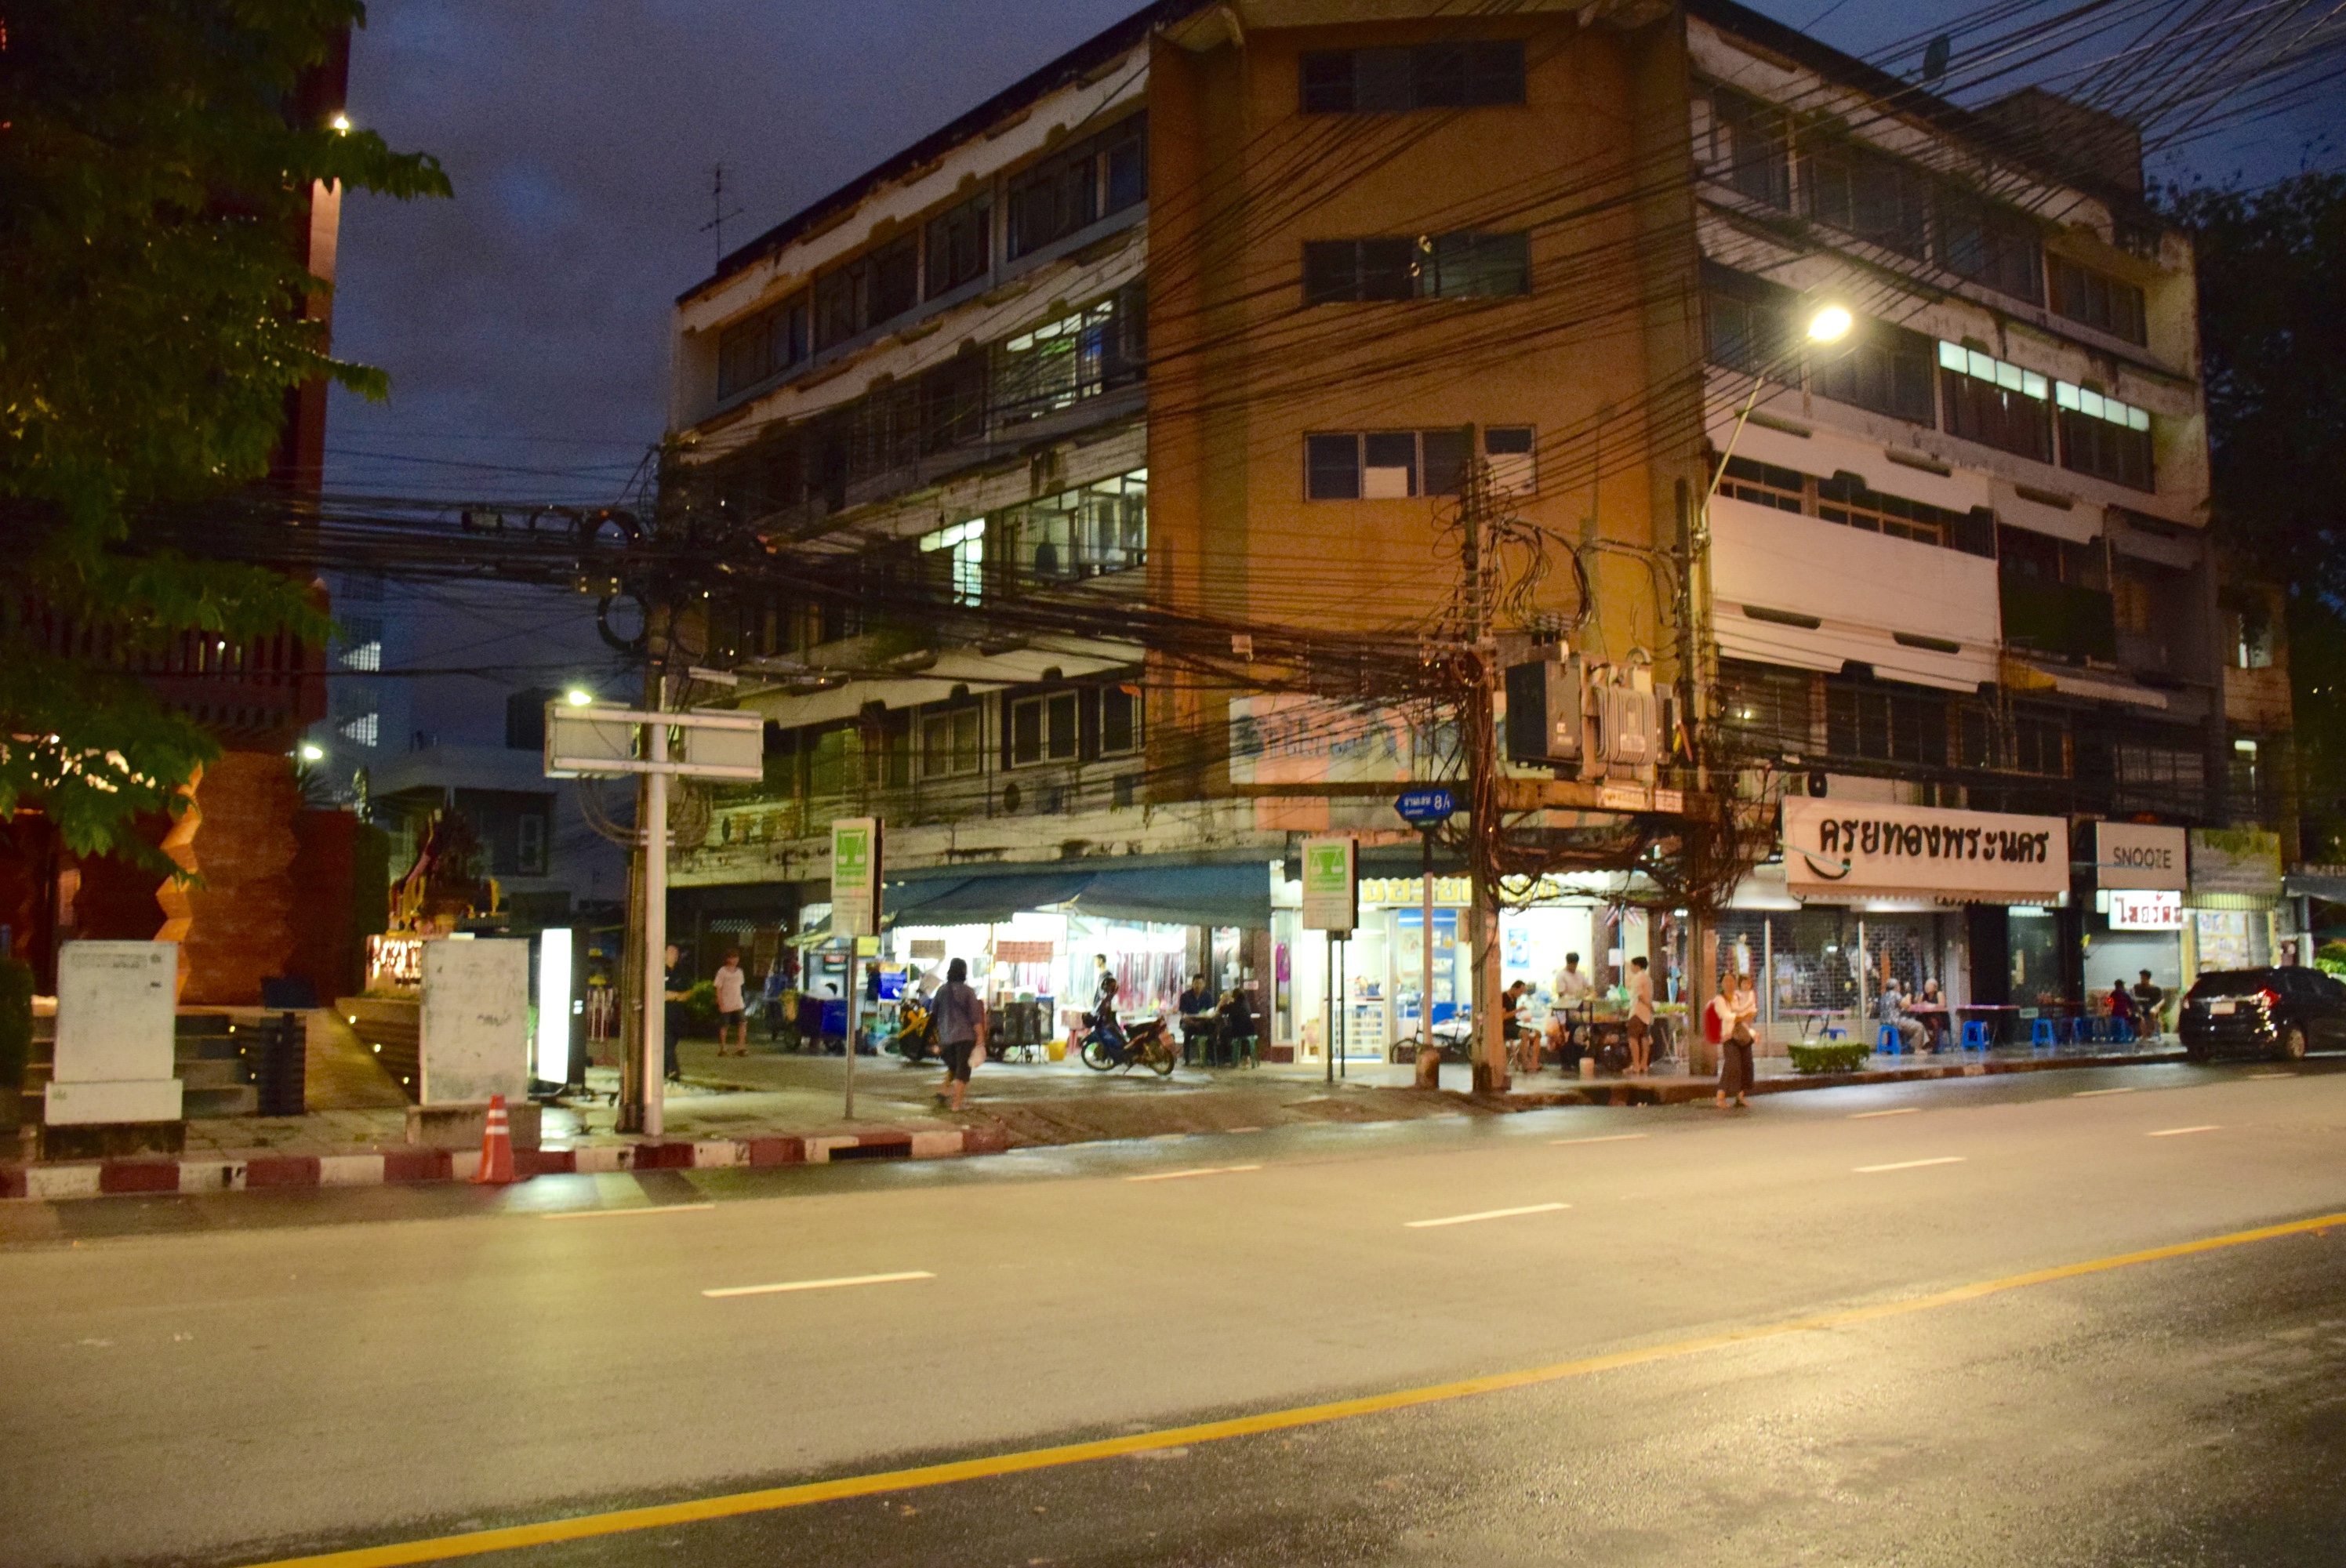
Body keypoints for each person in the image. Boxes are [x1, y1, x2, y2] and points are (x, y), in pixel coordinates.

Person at [930, 956, 987, 1111]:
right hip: (965, 1037)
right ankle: (956, 1104)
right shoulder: (968, 992)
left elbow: (933, 1014)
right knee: (962, 1071)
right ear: (964, 972)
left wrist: (934, 1038)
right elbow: (976, 1019)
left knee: (953, 1066)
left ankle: (943, 1092)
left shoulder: (941, 991)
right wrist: (981, 1040)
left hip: (946, 1037)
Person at [1714, 971, 1758, 1108]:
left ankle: (1740, 1097)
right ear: (1721, 984)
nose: (1729, 984)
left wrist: (1751, 1030)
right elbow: (1726, 1016)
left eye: (1731, 981)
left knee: (1746, 1065)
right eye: (1726, 981)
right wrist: (1742, 1016)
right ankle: (1720, 1097)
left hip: (1743, 1036)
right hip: (1729, 1036)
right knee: (1732, 1066)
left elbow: (1747, 1015)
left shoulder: (1738, 997)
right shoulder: (1720, 999)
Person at [713, 949, 749, 1057]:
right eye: (733, 957)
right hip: (726, 1002)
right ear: (728, 959)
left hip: (738, 1002)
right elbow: (718, 988)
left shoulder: (740, 972)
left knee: (743, 1023)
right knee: (724, 1025)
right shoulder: (722, 972)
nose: (735, 960)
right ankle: (723, 1048)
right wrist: (720, 1003)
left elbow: (741, 987)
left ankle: (741, 1047)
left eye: (736, 957)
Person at [661, 944, 688, 1083]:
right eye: (671, 953)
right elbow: (661, 993)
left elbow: (688, 990)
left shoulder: (680, 971)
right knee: (667, 1041)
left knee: (673, 1040)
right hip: (663, 1012)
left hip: (678, 1013)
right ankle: (674, 1069)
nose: (674, 956)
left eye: (676, 954)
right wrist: (671, 995)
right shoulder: (659, 970)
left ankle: (664, 1069)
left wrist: (677, 996)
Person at [1879, 977, 1925, 1054]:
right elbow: (1907, 1005)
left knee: (1907, 1025)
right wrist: (1908, 996)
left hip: (1884, 1023)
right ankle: (1916, 1049)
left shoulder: (1884, 995)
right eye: (1899, 986)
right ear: (1896, 987)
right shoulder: (1896, 994)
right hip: (1895, 1022)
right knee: (1919, 1026)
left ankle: (1905, 1047)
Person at [1178, 974, 1217, 1065]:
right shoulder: (1185, 996)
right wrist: (1192, 1022)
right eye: (1196, 983)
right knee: (1187, 1032)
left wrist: (1206, 1019)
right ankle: (1186, 1059)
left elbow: (1211, 1011)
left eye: (1200, 983)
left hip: (1203, 1022)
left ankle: (1212, 1058)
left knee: (1212, 1030)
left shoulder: (1207, 996)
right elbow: (1183, 1014)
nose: (1198, 986)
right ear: (1192, 984)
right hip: (1189, 1022)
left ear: (1204, 984)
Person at [1626, 956, 1654, 1076]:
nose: (1631, 968)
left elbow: (1640, 995)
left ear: (1637, 966)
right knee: (1644, 1038)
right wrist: (1650, 1007)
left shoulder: (1637, 977)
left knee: (1633, 1038)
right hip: (1646, 1014)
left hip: (1637, 1011)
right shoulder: (1648, 978)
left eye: (1632, 965)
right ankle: (1644, 1064)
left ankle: (1636, 1065)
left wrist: (1648, 1005)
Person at [1502, 980, 1534, 1073]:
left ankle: (1534, 1061)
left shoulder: (1514, 999)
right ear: (1514, 989)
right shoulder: (1504, 997)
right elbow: (1504, 1017)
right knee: (1524, 1033)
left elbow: (1513, 1016)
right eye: (1520, 992)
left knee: (1536, 1033)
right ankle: (1524, 1061)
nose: (1521, 994)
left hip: (1513, 1023)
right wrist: (1518, 1011)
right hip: (1505, 1026)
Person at [2131, 970, 2165, 1035]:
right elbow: (2132, 997)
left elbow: (2162, 1000)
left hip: (2151, 1006)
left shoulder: (2155, 989)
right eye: (2141, 977)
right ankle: (2144, 1033)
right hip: (2140, 1007)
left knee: (2152, 1012)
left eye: (2143, 978)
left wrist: (2157, 1007)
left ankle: (2151, 1032)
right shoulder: (2137, 987)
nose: (2142, 979)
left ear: (2148, 978)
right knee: (2139, 1013)